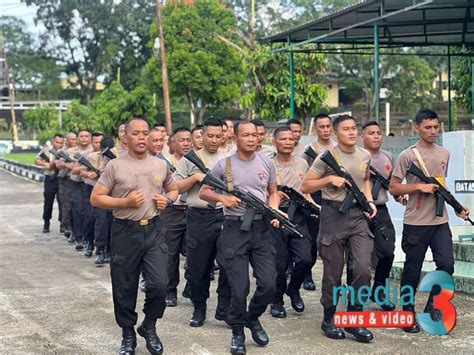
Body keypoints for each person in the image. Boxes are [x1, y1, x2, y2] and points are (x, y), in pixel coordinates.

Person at [91, 118, 179, 355]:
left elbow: (174, 188)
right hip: (124, 232)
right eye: (136, 134)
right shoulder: (115, 166)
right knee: (124, 286)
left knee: (161, 284)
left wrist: (168, 200)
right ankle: (127, 333)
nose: (141, 138)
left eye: (145, 133)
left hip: (154, 230)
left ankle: (149, 325)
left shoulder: (160, 165)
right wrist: (124, 202)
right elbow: (96, 198)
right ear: (125, 137)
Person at [200, 121, 280, 354]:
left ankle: (252, 317)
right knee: (239, 287)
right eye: (246, 135)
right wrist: (223, 199)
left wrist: (274, 210)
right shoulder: (223, 165)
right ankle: (237, 331)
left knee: (268, 284)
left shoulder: (266, 161)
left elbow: (273, 191)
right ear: (235, 138)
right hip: (234, 229)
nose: (252, 139)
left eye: (255, 135)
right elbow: (205, 191)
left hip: (261, 228)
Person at [389, 108, 470, 333]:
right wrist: (417, 186)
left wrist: (456, 207)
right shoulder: (408, 155)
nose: (433, 131)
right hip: (415, 222)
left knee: (446, 265)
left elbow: (441, 185)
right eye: (428, 127)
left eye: (436, 127)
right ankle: (407, 312)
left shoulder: (444, 153)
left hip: (439, 221)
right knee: (412, 270)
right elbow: (393, 187)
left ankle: (432, 305)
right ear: (417, 128)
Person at [301, 114, 375, 343]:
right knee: (333, 273)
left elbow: (364, 180)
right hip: (333, 215)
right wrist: (327, 181)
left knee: (362, 268)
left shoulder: (365, 154)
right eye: (346, 129)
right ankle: (329, 318)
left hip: (357, 216)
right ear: (335, 132)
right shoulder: (326, 157)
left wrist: (369, 201)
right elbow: (306, 184)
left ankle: (354, 318)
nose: (351, 132)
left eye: (354, 128)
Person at [175, 118, 229, 327]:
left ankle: (224, 307)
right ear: (201, 136)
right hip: (198, 218)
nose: (214, 140)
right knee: (199, 267)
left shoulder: (229, 158)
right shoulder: (189, 159)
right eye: (210, 136)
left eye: (218, 136)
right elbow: (176, 187)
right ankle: (199, 307)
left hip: (225, 215)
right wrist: (195, 178)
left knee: (229, 264)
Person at [269, 127, 313, 319]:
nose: (288, 142)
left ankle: (293, 289)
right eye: (283, 139)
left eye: (290, 139)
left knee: (305, 258)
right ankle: (276, 300)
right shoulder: (268, 164)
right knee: (279, 264)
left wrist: (316, 208)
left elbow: (306, 190)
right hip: (276, 215)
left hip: (299, 215)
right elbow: (262, 191)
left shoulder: (302, 163)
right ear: (274, 141)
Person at [360, 121, 399, 311]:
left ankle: (379, 289)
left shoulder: (388, 157)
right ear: (362, 137)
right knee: (358, 257)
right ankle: (358, 293)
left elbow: (390, 183)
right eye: (371, 133)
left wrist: (398, 195)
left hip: (381, 210)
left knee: (388, 252)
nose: (376, 136)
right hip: (359, 210)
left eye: (378, 133)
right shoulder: (357, 157)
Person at [301, 113, 336, 291]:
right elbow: (304, 174)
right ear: (315, 128)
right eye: (321, 127)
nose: (325, 130)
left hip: (335, 196)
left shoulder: (338, 147)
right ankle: (307, 274)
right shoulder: (309, 149)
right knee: (313, 238)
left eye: (328, 126)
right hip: (315, 196)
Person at [162, 127, 192, 307]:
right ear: (173, 143)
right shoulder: (164, 163)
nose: (186, 143)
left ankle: (191, 285)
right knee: (170, 254)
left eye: (189, 140)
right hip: (172, 211)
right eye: (182, 140)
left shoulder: (198, 162)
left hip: (194, 211)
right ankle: (170, 289)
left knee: (195, 254)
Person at [65, 129, 93, 250]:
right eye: (81, 136)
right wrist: (75, 167)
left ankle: (88, 238)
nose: (84, 138)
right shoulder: (71, 151)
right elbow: (67, 165)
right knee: (77, 209)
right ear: (77, 139)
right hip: (76, 183)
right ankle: (78, 237)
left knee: (89, 213)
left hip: (90, 184)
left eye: (86, 136)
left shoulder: (94, 151)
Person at [80, 131, 104, 258]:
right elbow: (81, 171)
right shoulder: (91, 156)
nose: (98, 144)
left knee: (101, 220)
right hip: (90, 188)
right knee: (89, 218)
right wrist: (89, 174)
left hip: (104, 191)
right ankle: (88, 242)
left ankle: (100, 248)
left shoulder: (109, 156)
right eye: (95, 142)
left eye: (100, 142)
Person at [35, 133, 64, 233]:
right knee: (48, 201)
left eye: (61, 143)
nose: (59, 145)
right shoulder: (47, 150)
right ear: (53, 141)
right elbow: (37, 160)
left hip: (61, 178)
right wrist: (46, 164)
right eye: (57, 142)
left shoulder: (65, 151)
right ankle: (46, 222)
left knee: (62, 201)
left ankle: (63, 224)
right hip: (50, 178)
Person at [56, 132, 76, 238]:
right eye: (71, 139)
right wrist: (68, 164)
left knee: (75, 205)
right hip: (65, 179)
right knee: (66, 203)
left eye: (74, 139)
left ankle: (72, 226)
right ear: (67, 140)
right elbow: (58, 164)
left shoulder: (78, 150)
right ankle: (66, 225)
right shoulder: (63, 151)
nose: (73, 141)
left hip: (76, 180)